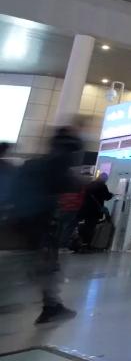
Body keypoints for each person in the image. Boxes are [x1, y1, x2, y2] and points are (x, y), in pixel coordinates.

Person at [1, 127, 82, 324]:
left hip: (19, 219)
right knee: (42, 265)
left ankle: (51, 305)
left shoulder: (32, 164)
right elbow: (70, 183)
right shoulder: (58, 163)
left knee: (29, 262)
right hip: (35, 222)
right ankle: (51, 306)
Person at [78, 172, 113, 249]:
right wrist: (111, 195)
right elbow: (107, 197)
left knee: (87, 225)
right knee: (91, 226)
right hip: (95, 209)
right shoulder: (102, 186)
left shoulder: (90, 185)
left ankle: (83, 242)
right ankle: (87, 244)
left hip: (86, 209)